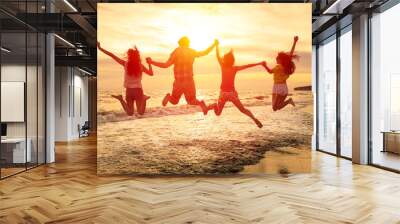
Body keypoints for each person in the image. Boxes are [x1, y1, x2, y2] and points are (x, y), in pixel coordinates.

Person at [147, 36, 218, 115]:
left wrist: (152, 62)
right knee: (192, 100)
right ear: (188, 43)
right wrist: (214, 44)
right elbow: (205, 52)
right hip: (189, 81)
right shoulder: (191, 52)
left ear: (180, 43)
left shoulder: (176, 52)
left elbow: (165, 65)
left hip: (178, 82)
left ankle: (168, 97)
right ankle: (201, 104)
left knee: (174, 101)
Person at [206, 41, 264, 128]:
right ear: (232, 60)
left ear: (225, 59)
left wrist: (217, 46)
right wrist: (258, 63)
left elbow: (217, 56)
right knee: (243, 110)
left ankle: (213, 106)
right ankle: (254, 118)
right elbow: (248, 65)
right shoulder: (234, 68)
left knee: (218, 113)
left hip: (223, 94)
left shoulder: (223, 66)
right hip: (232, 93)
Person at [97, 42, 153, 116]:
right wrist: (149, 63)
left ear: (129, 56)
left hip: (129, 91)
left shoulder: (125, 64)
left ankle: (120, 99)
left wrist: (100, 48)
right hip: (138, 90)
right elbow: (151, 73)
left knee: (130, 113)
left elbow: (112, 55)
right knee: (140, 112)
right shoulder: (140, 66)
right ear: (137, 56)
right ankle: (144, 99)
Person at [262, 36, 299, 111]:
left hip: (282, 88)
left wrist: (294, 42)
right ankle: (289, 101)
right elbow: (269, 72)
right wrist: (264, 66)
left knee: (275, 107)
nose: (276, 59)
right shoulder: (276, 67)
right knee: (275, 108)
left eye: (277, 58)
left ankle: (289, 101)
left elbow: (291, 53)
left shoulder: (285, 66)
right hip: (275, 87)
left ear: (281, 59)